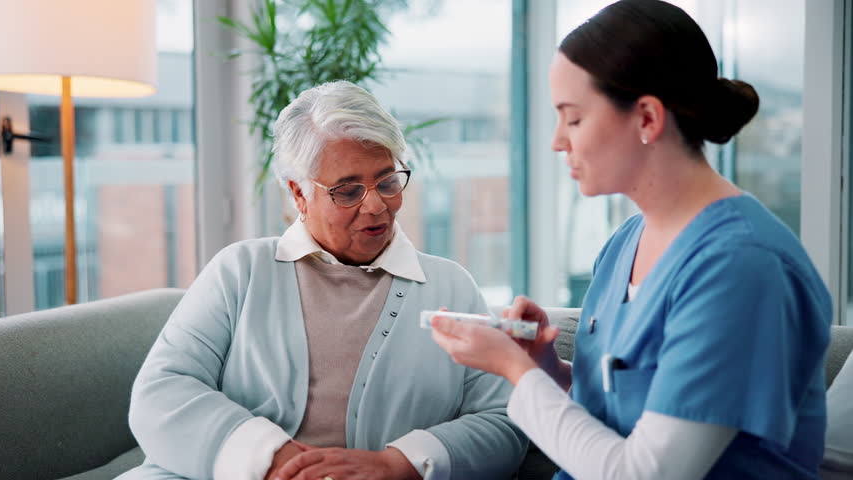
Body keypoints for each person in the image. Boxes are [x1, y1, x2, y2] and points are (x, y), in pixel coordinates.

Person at [429, 1, 832, 479]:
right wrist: (542, 367)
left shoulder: (742, 267)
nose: (558, 141)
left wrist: (516, 373)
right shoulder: (626, 243)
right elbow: (622, 413)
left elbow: (646, 472)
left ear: (646, 118)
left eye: (573, 118)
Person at [117, 80, 527, 480]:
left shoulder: (448, 286)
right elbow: (160, 394)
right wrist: (274, 461)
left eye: (387, 181)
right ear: (298, 193)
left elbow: (503, 422)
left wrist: (396, 465)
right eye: (348, 191)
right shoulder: (240, 272)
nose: (375, 206)